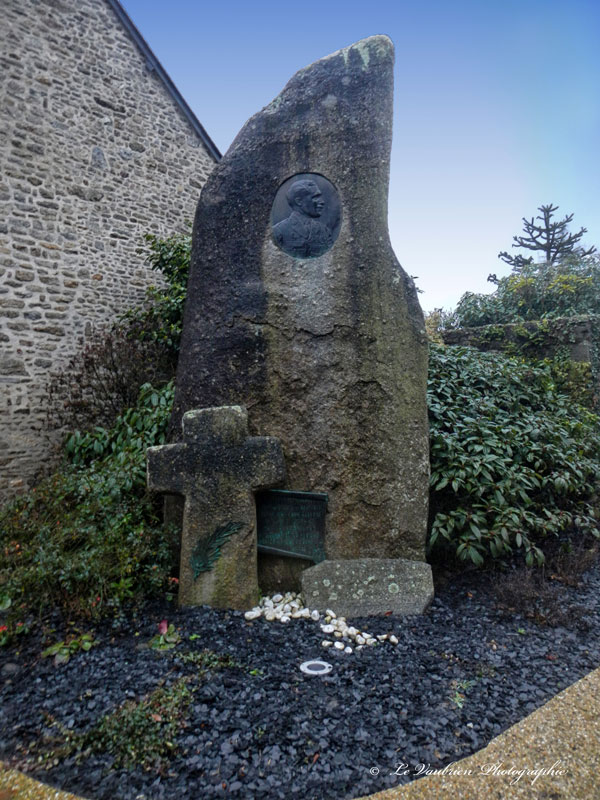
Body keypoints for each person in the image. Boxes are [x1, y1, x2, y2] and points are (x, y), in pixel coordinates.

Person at [273, 179, 333, 258]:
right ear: (299, 201)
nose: (322, 202)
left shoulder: (324, 232)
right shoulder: (278, 231)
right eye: (315, 197)